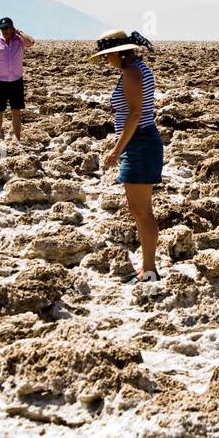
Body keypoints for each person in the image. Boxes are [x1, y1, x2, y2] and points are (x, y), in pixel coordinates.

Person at [89, 30, 163, 282]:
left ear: (119, 53)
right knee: (138, 209)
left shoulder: (131, 72)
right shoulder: (135, 68)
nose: (106, 62)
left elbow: (134, 114)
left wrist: (116, 150)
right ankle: (148, 266)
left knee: (142, 210)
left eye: (107, 56)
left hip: (140, 142)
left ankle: (150, 268)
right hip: (138, 141)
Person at [0, 16, 35, 142]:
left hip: (16, 80)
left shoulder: (19, 40)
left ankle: (17, 139)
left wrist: (19, 32)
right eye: (2, 28)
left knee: (16, 110)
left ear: (12, 28)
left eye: (6, 28)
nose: (4, 31)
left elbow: (31, 42)